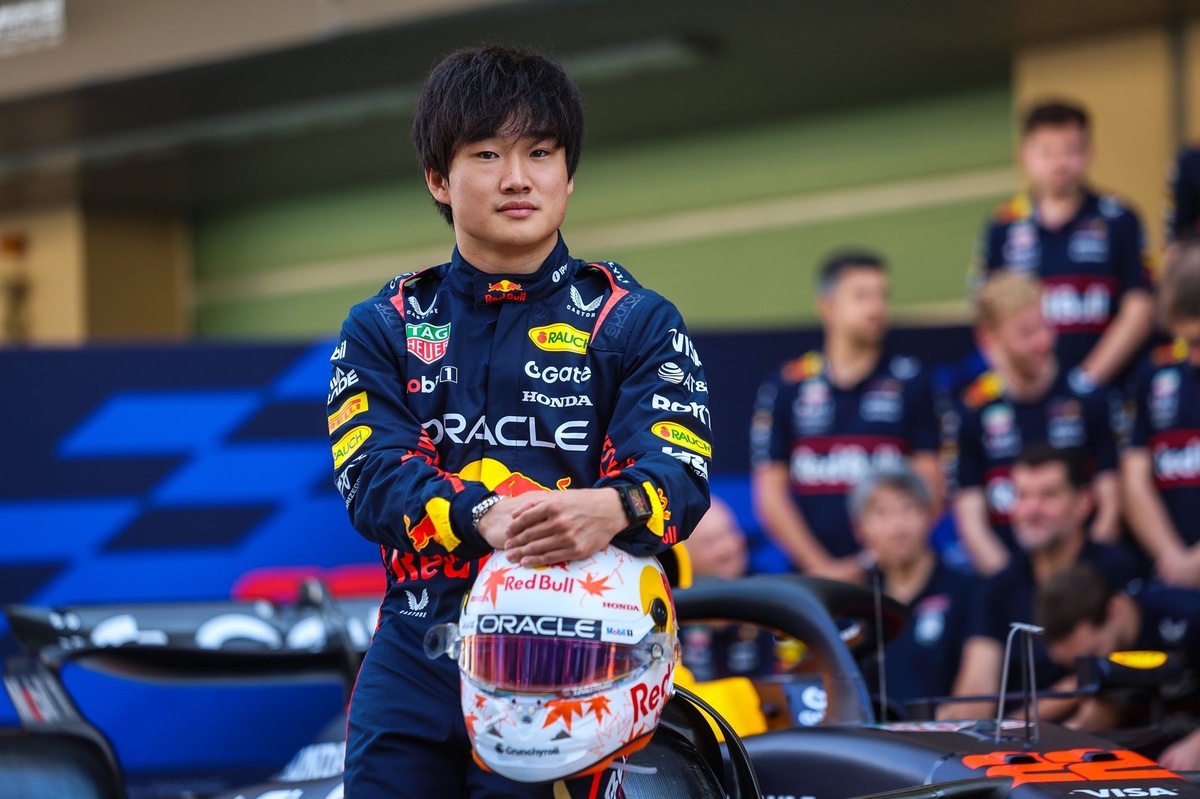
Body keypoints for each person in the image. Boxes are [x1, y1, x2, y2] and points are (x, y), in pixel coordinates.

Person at [327, 46, 712, 799]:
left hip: (579, 647)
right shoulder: (385, 324)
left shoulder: (633, 321)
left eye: (540, 152)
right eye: (486, 154)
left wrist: (615, 507)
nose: (517, 177)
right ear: (438, 178)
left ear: (568, 174)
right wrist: (485, 516)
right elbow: (370, 480)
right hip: (415, 646)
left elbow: (679, 474)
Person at [751, 250, 940, 583]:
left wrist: (869, 562)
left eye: (882, 295)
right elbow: (770, 495)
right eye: (861, 296)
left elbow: (931, 486)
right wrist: (822, 568)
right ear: (827, 307)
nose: (876, 308)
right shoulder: (787, 385)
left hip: (895, 577)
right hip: (812, 581)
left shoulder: (913, 381)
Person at [944, 444, 1139, 721]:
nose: (1032, 510)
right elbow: (975, 693)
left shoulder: (1117, 569)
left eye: (1049, 495)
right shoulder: (998, 587)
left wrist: (1018, 724)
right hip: (1012, 741)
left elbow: (1113, 680)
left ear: (1083, 503)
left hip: (1095, 737)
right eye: (1022, 496)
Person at [973, 100, 1155, 390]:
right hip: (1029, 397)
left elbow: (1139, 308)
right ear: (1025, 155)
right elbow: (988, 317)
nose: (1059, 163)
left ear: (1088, 151)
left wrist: (1086, 382)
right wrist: (1024, 387)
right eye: (1046, 152)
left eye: (1070, 150)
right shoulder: (1003, 225)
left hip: (1109, 392)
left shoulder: (1119, 219)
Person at [954, 271, 1120, 575]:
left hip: (1084, 578)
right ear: (989, 338)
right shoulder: (974, 411)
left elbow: (1109, 506)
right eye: (1026, 333)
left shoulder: (1086, 399)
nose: (1042, 341)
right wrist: (1014, 585)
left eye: (1045, 326)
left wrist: (1080, 581)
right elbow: (972, 523)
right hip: (1009, 580)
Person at [1036, 562, 1200, 767]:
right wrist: (1053, 748)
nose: (1094, 666)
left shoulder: (1186, 615)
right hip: (1145, 756)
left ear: (1114, 610)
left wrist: (1196, 746)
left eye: (1094, 652)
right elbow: (1102, 711)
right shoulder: (1105, 644)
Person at [850, 463, 976, 712]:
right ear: (859, 529)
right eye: (882, 513)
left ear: (930, 516)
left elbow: (975, 696)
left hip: (944, 734)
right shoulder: (855, 605)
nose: (898, 526)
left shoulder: (967, 591)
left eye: (908, 509)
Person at [1125, 243, 1200, 588]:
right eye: (1185, 342)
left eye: (1198, 342)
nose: (1193, 357)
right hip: (1174, 576)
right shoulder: (1156, 375)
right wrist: (1175, 560)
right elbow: (1135, 479)